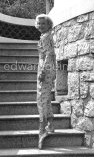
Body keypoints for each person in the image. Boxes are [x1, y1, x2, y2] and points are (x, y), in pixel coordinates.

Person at [35, 14, 56, 149]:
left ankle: (42, 130)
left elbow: (49, 54)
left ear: (49, 25)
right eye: (39, 23)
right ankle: (50, 124)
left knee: (41, 100)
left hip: (45, 70)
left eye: (43, 23)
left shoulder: (47, 36)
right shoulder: (45, 36)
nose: (41, 25)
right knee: (45, 99)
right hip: (47, 69)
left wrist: (43, 71)